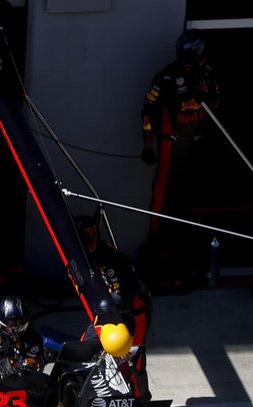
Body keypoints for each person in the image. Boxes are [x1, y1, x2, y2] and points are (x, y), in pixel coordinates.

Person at [140, 30, 219, 289]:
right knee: (162, 191)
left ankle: (187, 241)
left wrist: (203, 94)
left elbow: (216, 105)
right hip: (169, 143)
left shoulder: (207, 76)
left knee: (187, 195)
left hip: (195, 145)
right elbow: (146, 110)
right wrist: (147, 145)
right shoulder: (166, 78)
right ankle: (156, 238)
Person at [76, 215, 151, 343]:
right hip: (111, 309)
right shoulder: (87, 255)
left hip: (134, 311)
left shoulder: (108, 258)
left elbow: (121, 298)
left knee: (132, 355)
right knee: (84, 345)